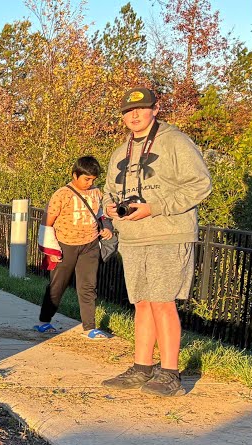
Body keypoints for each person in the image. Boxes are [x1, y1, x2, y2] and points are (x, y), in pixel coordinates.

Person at [100, 87, 212, 397]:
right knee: (142, 304)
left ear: (156, 108)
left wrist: (155, 206)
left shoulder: (175, 140)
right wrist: (110, 206)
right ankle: (141, 367)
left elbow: (201, 184)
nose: (133, 115)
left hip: (168, 233)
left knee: (163, 302)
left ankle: (170, 374)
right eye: (127, 111)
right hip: (134, 238)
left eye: (141, 108)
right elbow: (110, 190)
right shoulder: (120, 151)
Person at [34, 156, 113, 339]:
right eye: (86, 179)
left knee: (88, 286)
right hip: (65, 246)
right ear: (75, 175)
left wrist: (107, 227)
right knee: (57, 285)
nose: (90, 183)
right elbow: (47, 224)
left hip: (90, 245)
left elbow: (101, 215)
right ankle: (44, 321)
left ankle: (89, 327)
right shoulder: (62, 194)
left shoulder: (96, 193)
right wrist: (51, 251)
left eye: (93, 179)